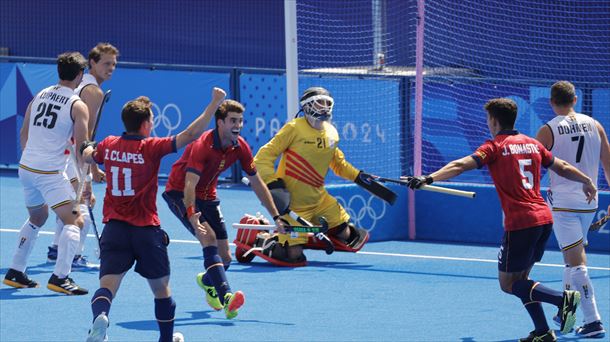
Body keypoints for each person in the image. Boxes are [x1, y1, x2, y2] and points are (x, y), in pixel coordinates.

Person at [404, 98, 597, 342]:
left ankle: (562, 299)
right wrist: (587, 181)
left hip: (521, 222)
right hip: (543, 219)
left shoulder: (494, 146)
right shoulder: (532, 144)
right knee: (522, 281)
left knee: (508, 284)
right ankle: (542, 332)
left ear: (494, 121)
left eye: (488, 120)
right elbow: (563, 166)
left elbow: (461, 164)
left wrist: (428, 178)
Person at [81, 88, 226, 342]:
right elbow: (190, 135)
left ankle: (100, 318)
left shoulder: (109, 144)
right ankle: (166, 339)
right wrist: (214, 103)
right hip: (146, 230)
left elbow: (87, 154)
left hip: (114, 229)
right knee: (161, 290)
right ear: (146, 124)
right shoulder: (151, 147)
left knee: (107, 286)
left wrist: (88, 147)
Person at [162, 99, 284, 319]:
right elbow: (189, 184)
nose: (237, 125)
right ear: (220, 123)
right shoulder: (203, 145)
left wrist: (276, 216)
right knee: (208, 238)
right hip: (180, 194)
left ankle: (208, 282)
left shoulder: (241, 147)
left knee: (226, 258)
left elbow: (257, 183)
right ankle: (227, 298)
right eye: (232, 121)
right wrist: (192, 216)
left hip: (208, 196)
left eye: (240, 121)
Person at [244, 86, 371, 266]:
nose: (325, 107)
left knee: (350, 236)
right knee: (294, 257)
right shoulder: (293, 128)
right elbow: (262, 157)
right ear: (307, 105)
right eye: (320, 102)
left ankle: (302, 237)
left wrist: (359, 176)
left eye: (328, 103)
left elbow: (339, 164)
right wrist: (273, 185)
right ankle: (262, 239)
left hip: (320, 201)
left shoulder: (332, 132)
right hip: (292, 205)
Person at [2, 52, 90, 295]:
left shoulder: (40, 94)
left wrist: (31, 158)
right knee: (76, 220)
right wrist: (94, 159)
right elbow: (83, 148)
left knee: (38, 217)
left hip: (27, 168)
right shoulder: (77, 105)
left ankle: (16, 271)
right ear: (80, 76)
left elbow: (24, 132)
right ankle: (61, 277)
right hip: (49, 172)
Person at [535, 81, 609, 338]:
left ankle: (593, 321)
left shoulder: (548, 130)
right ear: (575, 99)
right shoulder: (595, 125)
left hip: (564, 203)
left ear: (551, 102)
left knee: (576, 262)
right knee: (573, 256)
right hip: (590, 202)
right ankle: (565, 313)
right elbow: (608, 164)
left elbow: (533, 167)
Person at [48, 42, 120, 267]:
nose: (111, 68)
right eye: (106, 63)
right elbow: (85, 136)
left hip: (60, 151)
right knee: (83, 205)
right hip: (71, 154)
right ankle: (74, 256)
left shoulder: (82, 86)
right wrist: (91, 170)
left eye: (114, 64)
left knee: (70, 201)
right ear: (92, 64)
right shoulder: (93, 92)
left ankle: (56, 248)